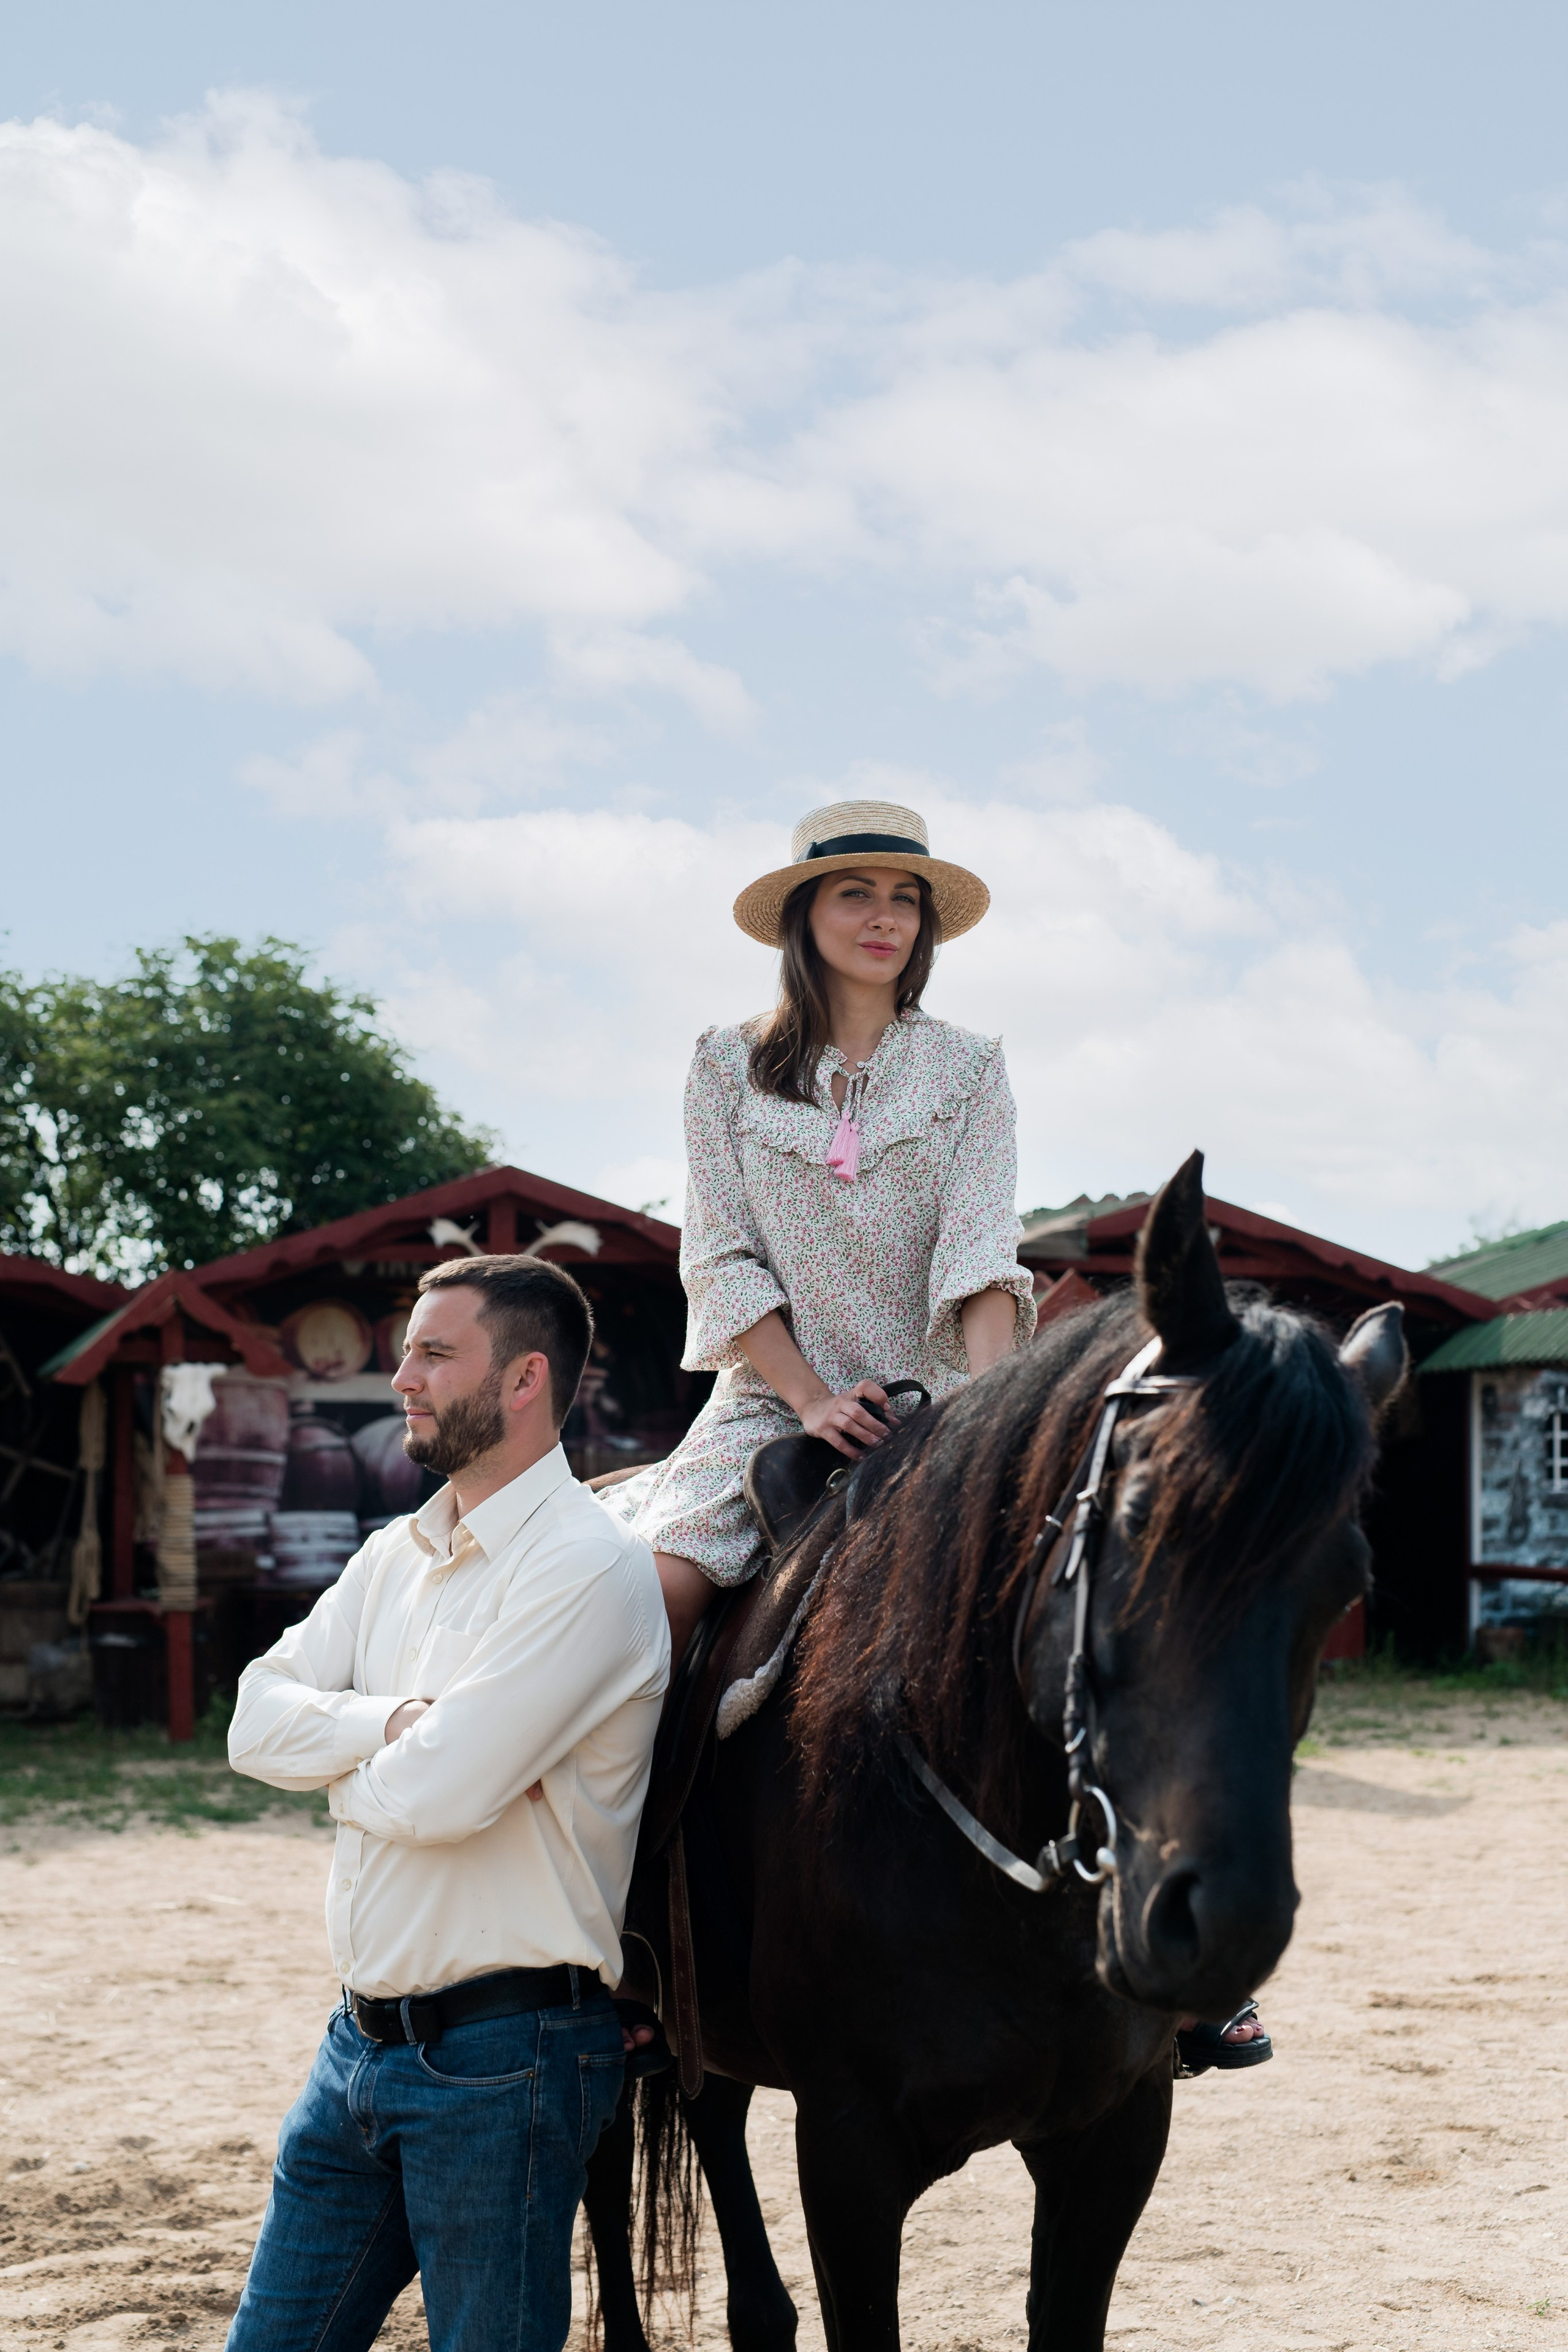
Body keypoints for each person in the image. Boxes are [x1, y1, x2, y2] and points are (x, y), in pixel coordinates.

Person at [603, 792, 1270, 2075]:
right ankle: (623, 1947)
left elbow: (977, 1255)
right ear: (801, 917)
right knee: (644, 1609)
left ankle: (1181, 1968)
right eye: (855, 894)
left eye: (903, 899)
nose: (884, 919)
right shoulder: (718, 1064)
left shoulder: (967, 1066)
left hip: (942, 1400)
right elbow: (723, 1257)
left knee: (1105, 1608)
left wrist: (989, 1431)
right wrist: (803, 1398)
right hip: (765, 1404)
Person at [226, 1254, 669, 2352]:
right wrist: (387, 1726)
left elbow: (441, 1799)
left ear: (524, 1380)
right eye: (406, 1350)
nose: (401, 1378)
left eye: (433, 1352)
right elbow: (250, 1719)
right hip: (353, 2051)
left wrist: (345, 1761)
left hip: (505, 2064)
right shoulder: (396, 1553)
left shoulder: (588, 1569)